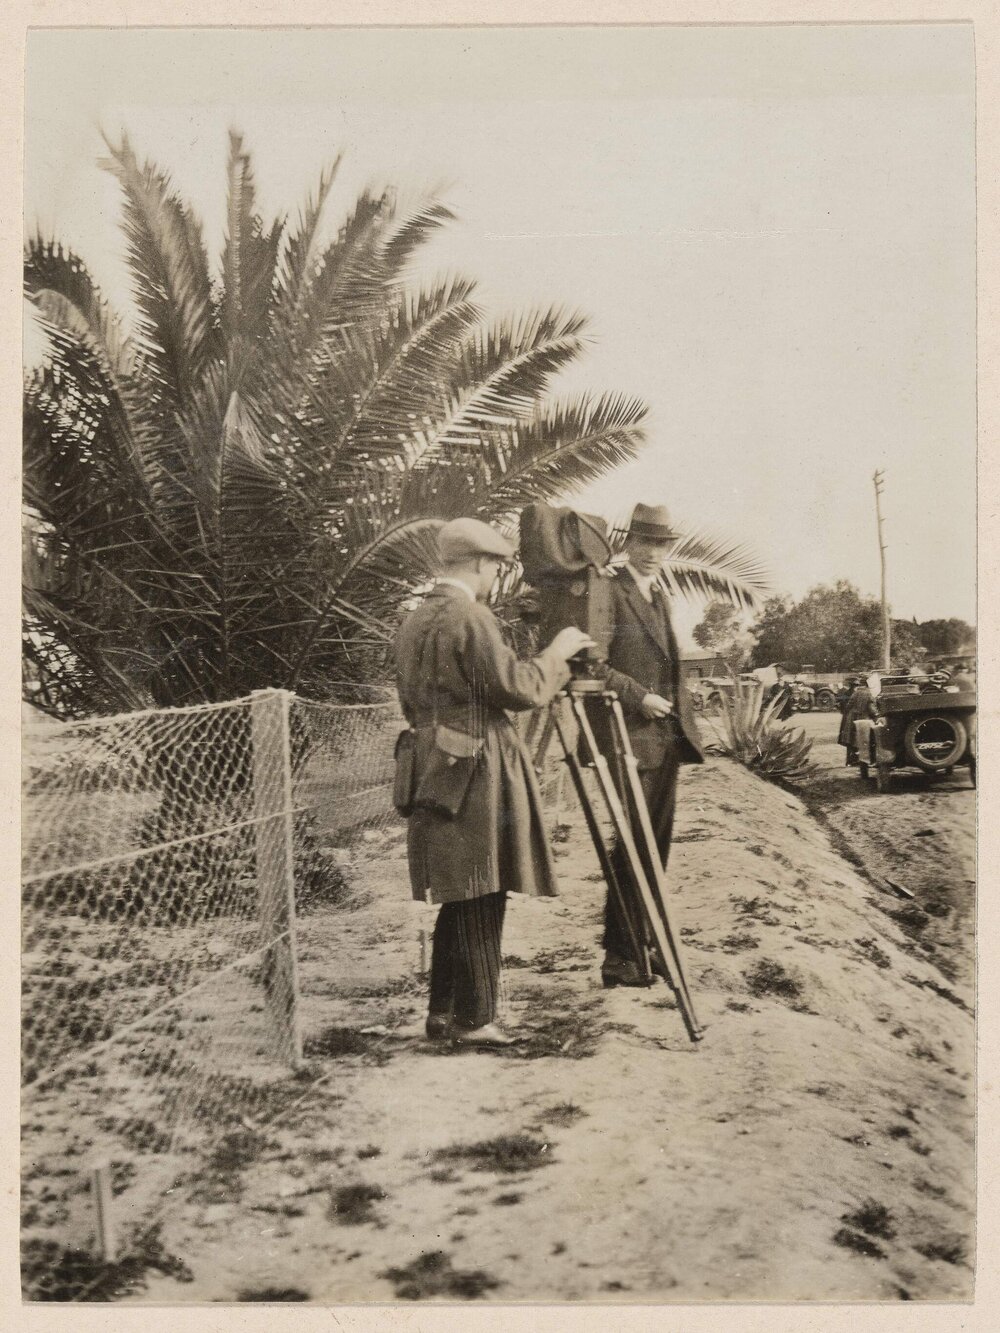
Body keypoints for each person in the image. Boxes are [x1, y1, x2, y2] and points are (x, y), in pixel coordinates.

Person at [393, 517, 592, 1047]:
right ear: (482, 563)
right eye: (495, 567)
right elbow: (518, 689)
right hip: (478, 764)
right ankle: (474, 1019)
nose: (494, 577)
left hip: (430, 762)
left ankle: (442, 1012)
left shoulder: (413, 621)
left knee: (459, 891)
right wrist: (557, 655)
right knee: (484, 886)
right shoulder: (472, 617)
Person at [585, 502, 704, 988]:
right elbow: (592, 663)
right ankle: (619, 955)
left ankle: (644, 943)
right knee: (633, 845)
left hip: (664, 738)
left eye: (662, 544)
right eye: (645, 542)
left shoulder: (660, 596)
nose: (654, 552)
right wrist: (640, 697)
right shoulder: (609, 591)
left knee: (655, 845)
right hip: (626, 734)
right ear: (629, 542)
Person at [837, 673, 878, 764]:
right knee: (865, 740)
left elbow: (848, 706)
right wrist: (876, 715)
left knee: (851, 740)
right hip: (864, 718)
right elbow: (871, 709)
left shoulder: (856, 693)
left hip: (852, 718)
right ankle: (865, 761)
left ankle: (850, 760)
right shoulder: (869, 694)